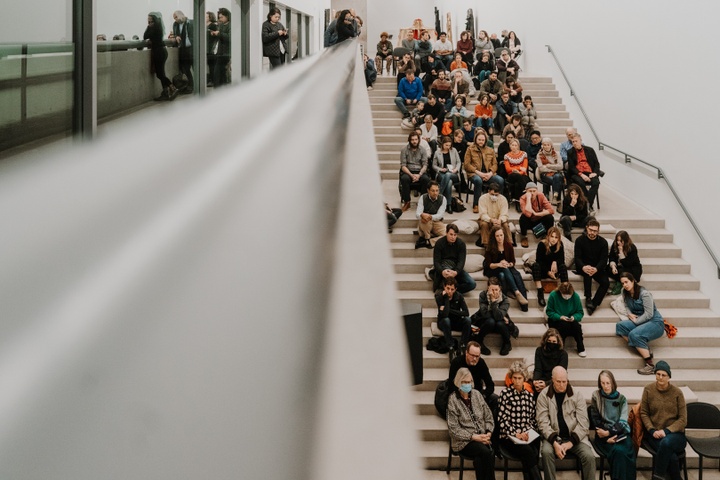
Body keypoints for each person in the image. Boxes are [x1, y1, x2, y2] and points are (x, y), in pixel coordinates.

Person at [536, 366, 596, 480]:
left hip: (574, 437)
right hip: (552, 437)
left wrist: (570, 443)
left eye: (564, 381)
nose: (562, 384)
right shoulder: (544, 395)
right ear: (552, 380)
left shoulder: (577, 394)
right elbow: (542, 423)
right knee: (546, 453)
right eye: (558, 381)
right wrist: (554, 443)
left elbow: (584, 423)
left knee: (589, 456)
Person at [640, 361, 687, 480]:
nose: (660, 377)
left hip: (675, 435)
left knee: (666, 443)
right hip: (654, 434)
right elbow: (644, 413)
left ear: (669, 377)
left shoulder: (677, 393)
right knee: (672, 458)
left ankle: (657, 476)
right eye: (658, 374)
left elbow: (683, 419)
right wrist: (651, 430)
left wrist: (666, 431)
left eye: (663, 375)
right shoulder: (648, 389)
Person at [447, 368, 496, 480]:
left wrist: (488, 433)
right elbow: (453, 429)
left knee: (480, 458)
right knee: (486, 452)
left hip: (482, 437)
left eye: (469, 382)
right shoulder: (453, 400)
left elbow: (488, 416)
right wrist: (474, 437)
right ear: (458, 382)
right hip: (464, 441)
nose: (467, 385)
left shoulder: (477, 395)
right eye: (464, 382)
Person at [498, 361, 542, 480]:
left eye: (520, 378)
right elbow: (502, 420)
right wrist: (516, 433)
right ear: (511, 378)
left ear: (524, 379)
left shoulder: (529, 396)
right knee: (528, 452)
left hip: (526, 434)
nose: (517, 381)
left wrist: (528, 432)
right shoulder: (505, 394)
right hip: (509, 436)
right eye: (514, 378)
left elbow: (532, 419)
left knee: (536, 443)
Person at [589, 370, 636, 480]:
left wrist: (610, 433)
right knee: (619, 452)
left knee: (625, 451)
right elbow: (595, 418)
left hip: (620, 434)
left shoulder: (622, 399)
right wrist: (606, 436)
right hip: (602, 435)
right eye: (602, 383)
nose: (605, 386)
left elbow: (623, 422)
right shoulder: (596, 396)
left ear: (613, 382)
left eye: (608, 383)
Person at [616, 272, 666, 375]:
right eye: (622, 283)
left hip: (654, 322)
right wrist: (630, 314)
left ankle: (650, 365)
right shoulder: (624, 291)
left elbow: (649, 313)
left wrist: (636, 321)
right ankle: (644, 349)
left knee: (634, 334)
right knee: (620, 326)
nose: (625, 285)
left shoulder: (645, 294)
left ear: (633, 281)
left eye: (626, 282)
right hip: (639, 320)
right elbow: (626, 305)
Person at [483, 226, 529, 310]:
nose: (500, 238)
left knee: (503, 275)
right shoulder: (489, 247)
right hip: (493, 269)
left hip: (505, 269)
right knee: (503, 270)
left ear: (504, 234)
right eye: (497, 236)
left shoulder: (508, 245)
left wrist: (508, 264)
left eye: (501, 235)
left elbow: (513, 261)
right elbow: (488, 265)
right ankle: (516, 291)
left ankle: (508, 296)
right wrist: (499, 264)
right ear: (494, 237)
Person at [574, 218, 609, 315]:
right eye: (590, 230)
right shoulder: (579, 240)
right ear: (586, 228)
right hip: (583, 266)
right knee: (587, 273)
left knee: (606, 283)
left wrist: (597, 268)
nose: (592, 233)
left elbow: (604, 260)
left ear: (598, 231)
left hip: (597, 267)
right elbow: (577, 258)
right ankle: (588, 298)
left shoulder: (603, 242)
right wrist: (583, 267)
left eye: (595, 231)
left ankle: (594, 303)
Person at [447, 341, 497, 409]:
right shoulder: (456, 362)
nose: (475, 359)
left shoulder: (481, 363)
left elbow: (490, 385)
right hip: (461, 395)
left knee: (495, 399)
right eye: (472, 355)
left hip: (477, 395)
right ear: (466, 353)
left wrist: (482, 396)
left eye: (477, 356)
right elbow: (451, 386)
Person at [473, 277, 515, 356]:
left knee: (499, 323)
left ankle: (507, 343)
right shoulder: (483, 295)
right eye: (492, 290)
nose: (494, 292)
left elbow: (498, 317)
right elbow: (485, 314)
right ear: (488, 288)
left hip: (499, 323)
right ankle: (479, 341)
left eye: (496, 289)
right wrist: (500, 314)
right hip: (485, 321)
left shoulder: (505, 300)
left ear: (500, 289)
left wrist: (493, 301)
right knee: (491, 321)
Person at [432, 224, 476, 293]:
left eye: (455, 235)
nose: (453, 237)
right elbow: (436, 262)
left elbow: (461, 261)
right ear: (446, 233)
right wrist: (442, 271)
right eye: (451, 234)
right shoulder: (439, 243)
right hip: (443, 268)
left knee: (472, 283)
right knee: (437, 287)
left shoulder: (461, 244)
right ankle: (448, 290)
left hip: (455, 268)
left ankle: (451, 291)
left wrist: (456, 272)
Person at [546, 282, 586, 357]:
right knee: (564, 325)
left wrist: (574, 317)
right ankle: (560, 347)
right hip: (556, 320)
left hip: (570, 320)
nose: (567, 297)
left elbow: (580, 312)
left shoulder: (575, 296)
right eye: (564, 295)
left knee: (576, 326)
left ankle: (581, 347)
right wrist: (560, 317)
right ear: (560, 292)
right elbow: (549, 311)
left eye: (569, 295)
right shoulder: (553, 295)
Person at [144, 12, 177, 101]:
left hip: (158, 52)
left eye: (150, 18)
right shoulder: (159, 27)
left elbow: (145, 36)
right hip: (162, 51)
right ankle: (165, 92)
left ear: (154, 19)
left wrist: (148, 26)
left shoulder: (154, 27)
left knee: (160, 74)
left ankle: (172, 88)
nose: (148, 20)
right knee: (161, 73)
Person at [533, 227, 569, 306]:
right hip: (544, 270)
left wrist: (555, 262)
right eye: (552, 236)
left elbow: (562, 260)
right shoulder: (542, 244)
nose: (553, 239)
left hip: (555, 270)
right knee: (535, 265)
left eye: (556, 237)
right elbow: (539, 261)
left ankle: (565, 290)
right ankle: (540, 292)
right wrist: (548, 272)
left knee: (563, 266)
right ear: (548, 236)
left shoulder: (560, 244)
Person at [436, 277, 472, 352]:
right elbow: (444, 315)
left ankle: (463, 345)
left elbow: (466, 313)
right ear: (444, 287)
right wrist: (446, 298)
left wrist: (448, 310)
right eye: (447, 288)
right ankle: (451, 347)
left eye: (452, 289)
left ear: (455, 289)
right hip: (443, 322)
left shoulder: (459, 296)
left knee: (468, 320)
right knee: (446, 320)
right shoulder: (439, 296)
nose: (449, 291)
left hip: (455, 321)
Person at [567, 133, 601, 209]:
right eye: (573, 142)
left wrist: (594, 173)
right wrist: (581, 175)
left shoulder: (590, 150)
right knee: (580, 182)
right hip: (577, 173)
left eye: (576, 141)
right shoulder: (570, 152)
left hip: (589, 172)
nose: (575, 143)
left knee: (596, 182)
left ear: (580, 140)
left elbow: (596, 163)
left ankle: (588, 203)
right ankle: (588, 204)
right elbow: (572, 167)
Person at [399, 132, 431, 211]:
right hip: (408, 171)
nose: (414, 141)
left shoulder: (422, 150)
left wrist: (419, 175)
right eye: (412, 140)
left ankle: (422, 202)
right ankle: (407, 202)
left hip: (420, 171)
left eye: (416, 139)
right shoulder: (404, 150)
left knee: (426, 179)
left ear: (418, 140)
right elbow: (403, 166)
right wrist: (411, 175)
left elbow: (425, 165)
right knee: (404, 179)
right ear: (409, 140)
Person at [475, 182, 512, 248]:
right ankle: (486, 245)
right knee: (484, 224)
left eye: (496, 195)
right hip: (487, 220)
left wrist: (500, 220)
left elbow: (504, 214)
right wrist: (491, 220)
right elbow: (483, 214)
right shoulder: (482, 198)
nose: (494, 196)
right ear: (488, 191)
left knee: (506, 225)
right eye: (492, 194)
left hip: (499, 220)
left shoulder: (503, 199)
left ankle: (509, 244)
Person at [518, 182, 555, 248]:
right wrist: (529, 199)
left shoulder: (541, 195)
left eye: (534, 191)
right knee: (523, 217)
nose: (532, 193)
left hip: (538, 219)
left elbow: (551, 210)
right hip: (529, 221)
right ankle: (524, 237)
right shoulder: (522, 199)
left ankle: (546, 236)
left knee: (549, 217)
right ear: (526, 191)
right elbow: (528, 214)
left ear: (537, 191)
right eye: (530, 191)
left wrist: (537, 214)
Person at [433, 136, 461, 212]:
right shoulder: (437, 152)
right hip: (442, 173)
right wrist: (441, 169)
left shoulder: (454, 150)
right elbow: (434, 165)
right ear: (442, 144)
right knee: (449, 182)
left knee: (448, 175)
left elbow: (459, 162)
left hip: (453, 173)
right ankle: (448, 205)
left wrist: (456, 169)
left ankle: (439, 195)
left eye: (449, 145)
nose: (448, 147)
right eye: (446, 145)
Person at [416, 181, 446, 249]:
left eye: (437, 190)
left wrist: (430, 216)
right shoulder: (423, 197)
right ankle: (427, 237)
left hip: (437, 222)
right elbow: (417, 214)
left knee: (447, 236)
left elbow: (440, 215)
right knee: (425, 221)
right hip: (425, 221)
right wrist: (422, 215)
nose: (435, 193)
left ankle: (429, 241)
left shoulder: (443, 199)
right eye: (433, 191)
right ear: (428, 190)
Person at [536, 137, 564, 204]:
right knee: (558, 179)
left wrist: (548, 166)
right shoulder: (539, 155)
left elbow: (561, 166)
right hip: (545, 175)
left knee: (557, 177)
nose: (546, 146)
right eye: (544, 145)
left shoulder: (556, 154)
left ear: (551, 145)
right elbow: (541, 168)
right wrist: (555, 168)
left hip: (556, 174)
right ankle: (557, 198)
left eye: (548, 145)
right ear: (542, 146)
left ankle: (555, 197)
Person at [172, 11, 194, 94]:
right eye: (174, 18)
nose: (175, 19)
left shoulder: (191, 22)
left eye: (176, 17)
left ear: (181, 15)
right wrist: (176, 36)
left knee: (195, 68)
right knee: (186, 69)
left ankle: (197, 85)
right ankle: (190, 86)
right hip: (183, 49)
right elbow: (175, 33)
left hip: (192, 48)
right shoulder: (175, 24)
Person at [503, 138, 530, 205]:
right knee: (520, 177)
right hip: (511, 175)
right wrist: (519, 168)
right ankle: (525, 191)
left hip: (522, 174)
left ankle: (518, 201)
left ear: (518, 146)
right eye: (512, 145)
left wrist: (516, 170)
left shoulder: (524, 154)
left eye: (516, 145)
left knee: (518, 183)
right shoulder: (506, 156)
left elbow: (524, 169)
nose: (514, 147)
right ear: (510, 146)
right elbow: (508, 169)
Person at [211, 8, 231, 87]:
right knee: (219, 73)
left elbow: (230, 38)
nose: (220, 19)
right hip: (220, 52)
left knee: (220, 72)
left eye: (222, 17)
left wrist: (219, 33)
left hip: (227, 52)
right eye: (219, 17)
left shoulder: (230, 25)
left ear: (227, 16)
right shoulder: (221, 25)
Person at [205, 12, 219, 87]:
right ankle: (211, 79)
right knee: (209, 65)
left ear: (210, 17)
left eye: (206, 16)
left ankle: (213, 80)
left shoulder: (213, 25)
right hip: (206, 47)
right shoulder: (205, 25)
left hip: (211, 48)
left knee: (212, 65)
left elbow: (216, 36)